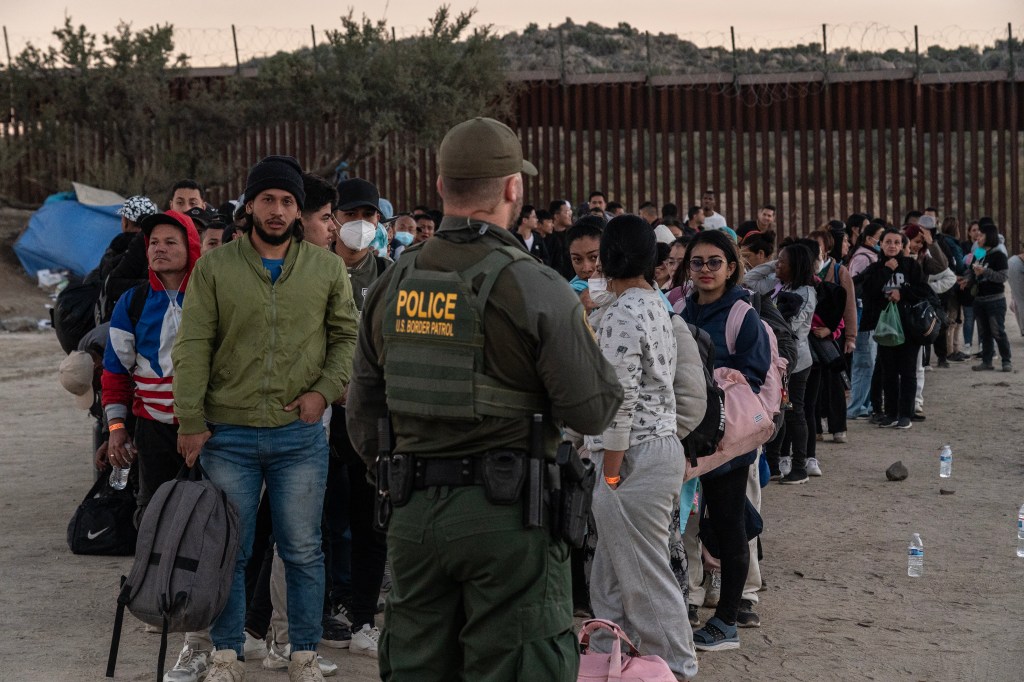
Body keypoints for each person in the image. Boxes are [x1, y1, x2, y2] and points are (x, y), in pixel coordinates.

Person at [345, 117, 623, 682]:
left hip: (413, 513)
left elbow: (363, 415)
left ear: (442, 187)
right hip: (509, 518)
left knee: (417, 663)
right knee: (519, 661)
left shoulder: (393, 283)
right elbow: (591, 410)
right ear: (513, 189)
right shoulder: (538, 285)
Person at [173, 155, 359, 682]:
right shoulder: (214, 268)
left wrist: (323, 391)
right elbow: (193, 345)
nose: (277, 211)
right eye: (267, 200)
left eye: (287, 202)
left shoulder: (325, 268)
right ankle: (226, 655)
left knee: (302, 549)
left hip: (299, 435)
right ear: (249, 204)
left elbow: (346, 336)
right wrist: (190, 418)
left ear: (298, 210)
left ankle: (301, 653)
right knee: (230, 550)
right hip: (226, 434)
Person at [583, 215, 699, 679]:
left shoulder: (624, 313)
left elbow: (619, 401)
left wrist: (610, 473)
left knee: (644, 579)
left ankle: (677, 668)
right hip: (654, 449)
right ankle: (612, 662)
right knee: (611, 576)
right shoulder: (650, 301)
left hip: (631, 456)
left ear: (609, 257)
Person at [680, 229, 770, 651]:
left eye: (714, 262)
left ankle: (727, 621)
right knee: (688, 525)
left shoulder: (741, 314)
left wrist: (705, 384)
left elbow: (754, 375)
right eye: (697, 262)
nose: (705, 270)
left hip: (725, 440)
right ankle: (687, 605)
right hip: (684, 434)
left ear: (731, 267)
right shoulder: (679, 307)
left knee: (728, 524)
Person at [745, 242, 816, 483]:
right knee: (779, 411)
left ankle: (800, 467)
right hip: (777, 361)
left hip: (796, 363)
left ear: (796, 266)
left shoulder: (806, 293)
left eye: (783, 261)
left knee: (796, 413)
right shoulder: (777, 285)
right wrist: (771, 265)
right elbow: (749, 282)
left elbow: (789, 330)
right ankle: (774, 464)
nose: (778, 265)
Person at [860, 229, 927, 429]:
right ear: (881, 244)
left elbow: (923, 292)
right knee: (888, 371)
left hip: (908, 328)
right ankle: (891, 412)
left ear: (902, 246)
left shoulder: (911, 266)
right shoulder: (876, 267)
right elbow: (868, 292)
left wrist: (902, 293)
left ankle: (906, 414)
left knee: (907, 371)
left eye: (897, 242)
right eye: (888, 242)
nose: (892, 246)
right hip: (885, 328)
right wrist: (887, 271)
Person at [846, 222, 884, 419]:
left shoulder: (872, 256)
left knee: (868, 361)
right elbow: (854, 289)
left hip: (867, 316)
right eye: (881, 237)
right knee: (863, 362)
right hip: (862, 316)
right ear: (870, 239)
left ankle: (864, 404)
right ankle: (856, 406)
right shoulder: (863, 258)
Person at [964, 221, 1012, 372]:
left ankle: (1006, 360)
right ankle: (987, 361)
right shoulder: (979, 252)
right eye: (977, 234)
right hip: (979, 299)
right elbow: (972, 271)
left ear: (989, 236)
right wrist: (966, 279)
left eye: (981, 234)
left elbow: (1002, 277)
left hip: (995, 300)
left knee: (997, 331)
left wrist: (985, 272)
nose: (978, 237)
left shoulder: (999, 255)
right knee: (984, 333)